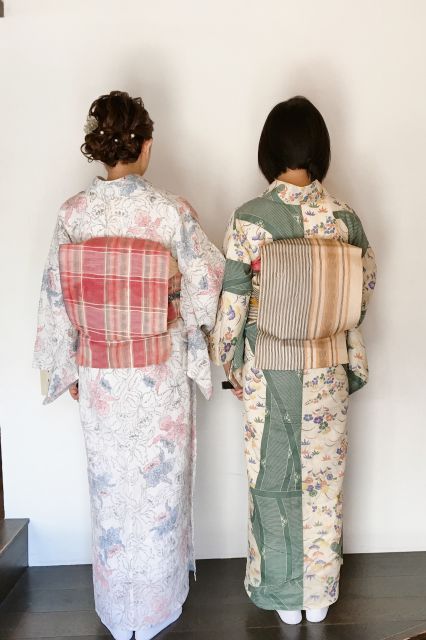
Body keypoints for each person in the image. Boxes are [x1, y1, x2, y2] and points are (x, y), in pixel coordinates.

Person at [33, 91, 225, 640]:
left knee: (112, 493)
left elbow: (56, 297)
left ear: (99, 148)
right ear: (146, 146)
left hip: (101, 373)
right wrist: (175, 305)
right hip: (159, 369)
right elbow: (209, 284)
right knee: (158, 491)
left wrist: (69, 365)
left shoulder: (73, 214)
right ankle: (157, 608)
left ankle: (120, 614)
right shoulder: (171, 212)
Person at [209, 96, 376, 625]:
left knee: (272, 479)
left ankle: (283, 595)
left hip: (270, 369)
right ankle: (320, 593)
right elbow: (361, 294)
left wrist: (227, 359)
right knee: (323, 483)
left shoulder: (249, 219)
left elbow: (234, 298)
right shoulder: (344, 219)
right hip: (326, 367)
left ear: (268, 152)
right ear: (320, 150)